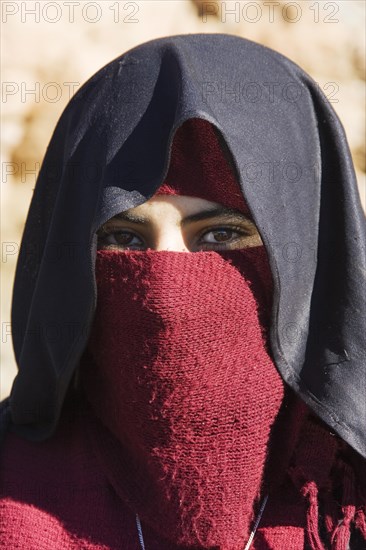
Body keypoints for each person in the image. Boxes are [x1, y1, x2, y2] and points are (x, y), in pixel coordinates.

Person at [0, 34, 365, 550]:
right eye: (123, 238)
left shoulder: (343, 497)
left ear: (305, 250)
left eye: (221, 235)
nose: (166, 291)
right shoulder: (15, 488)